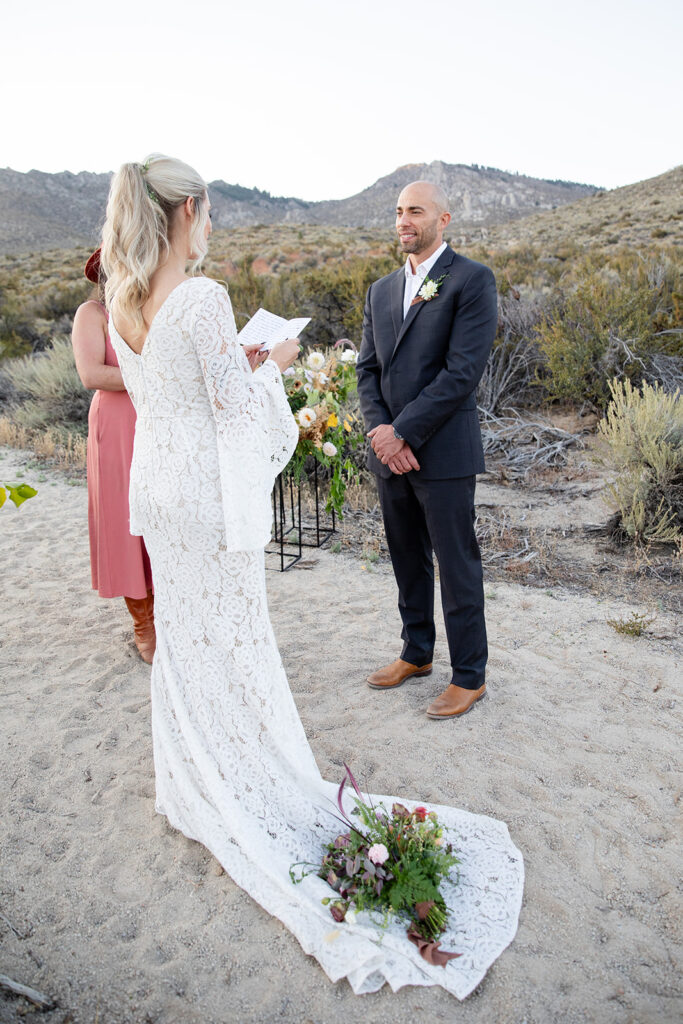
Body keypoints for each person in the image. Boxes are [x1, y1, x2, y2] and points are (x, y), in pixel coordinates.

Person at [101, 154, 521, 998]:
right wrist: (279, 364)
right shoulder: (203, 297)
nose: (211, 222)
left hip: (161, 493)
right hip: (208, 503)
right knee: (236, 640)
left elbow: (171, 396)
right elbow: (233, 404)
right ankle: (249, 776)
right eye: (208, 210)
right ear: (188, 210)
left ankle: (190, 783)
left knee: (188, 641)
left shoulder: (119, 301)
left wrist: (253, 374)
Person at [356, 181, 498, 719]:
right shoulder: (381, 290)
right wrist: (381, 432)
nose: (403, 221)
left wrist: (404, 433)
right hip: (389, 451)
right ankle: (416, 653)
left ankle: (470, 676)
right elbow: (367, 370)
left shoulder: (471, 280)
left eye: (415, 211)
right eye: (398, 212)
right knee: (406, 557)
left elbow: (462, 372)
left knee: (456, 562)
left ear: (444, 219)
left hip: (441, 452)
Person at [71, 250, 155, 662]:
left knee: (158, 513)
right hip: (117, 424)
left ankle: (169, 611)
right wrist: (150, 377)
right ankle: (143, 622)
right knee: (124, 519)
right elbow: (92, 374)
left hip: (157, 422)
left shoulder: (150, 309)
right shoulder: (93, 313)